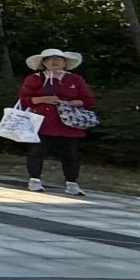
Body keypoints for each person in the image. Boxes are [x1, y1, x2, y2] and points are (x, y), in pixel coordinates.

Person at [19, 47, 95, 196]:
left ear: (65, 62)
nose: (55, 62)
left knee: (71, 154)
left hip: (69, 123)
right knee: (37, 151)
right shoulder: (35, 78)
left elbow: (88, 99)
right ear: (44, 62)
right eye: (50, 59)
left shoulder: (75, 79)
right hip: (42, 122)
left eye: (58, 59)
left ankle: (72, 183)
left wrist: (73, 103)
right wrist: (44, 99)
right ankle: (34, 180)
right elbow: (25, 99)